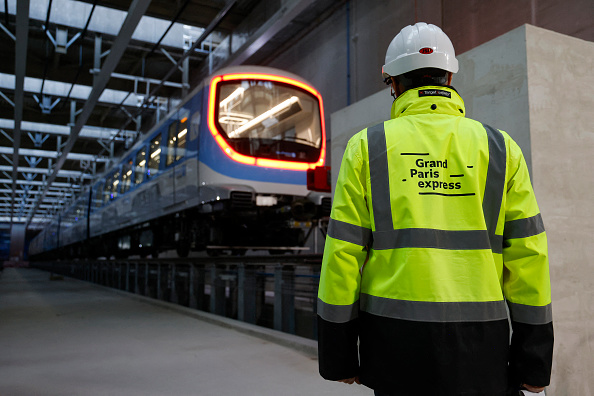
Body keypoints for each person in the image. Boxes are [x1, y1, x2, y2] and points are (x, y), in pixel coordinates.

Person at [317, 22, 553, 396]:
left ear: (393, 83)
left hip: (393, 350)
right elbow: (529, 257)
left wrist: (338, 354)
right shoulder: (500, 149)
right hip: (483, 352)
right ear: (449, 76)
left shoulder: (367, 148)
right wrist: (534, 360)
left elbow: (341, 258)